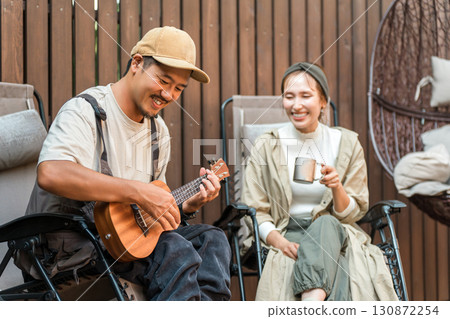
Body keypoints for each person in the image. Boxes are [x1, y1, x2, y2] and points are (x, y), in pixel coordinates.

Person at [17, 26, 231, 301]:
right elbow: (51, 173)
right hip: (68, 249)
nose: (169, 95)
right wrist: (137, 191)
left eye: (178, 88)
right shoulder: (85, 110)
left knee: (212, 240)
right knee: (174, 249)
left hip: (126, 247)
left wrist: (185, 208)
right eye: (164, 81)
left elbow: (146, 217)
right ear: (137, 63)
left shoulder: (158, 132)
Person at [241, 62, 398, 301]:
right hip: (287, 231)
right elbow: (255, 210)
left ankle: (310, 303)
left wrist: (337, 188)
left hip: (336, 231)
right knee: (341, 267)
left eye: (306, 96)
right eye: (289, 96)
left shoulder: (346, 143)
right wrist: (280, 242)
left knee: (326, 223)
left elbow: (352, 213)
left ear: (323, 101)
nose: (296, 105)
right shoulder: (267, 145)